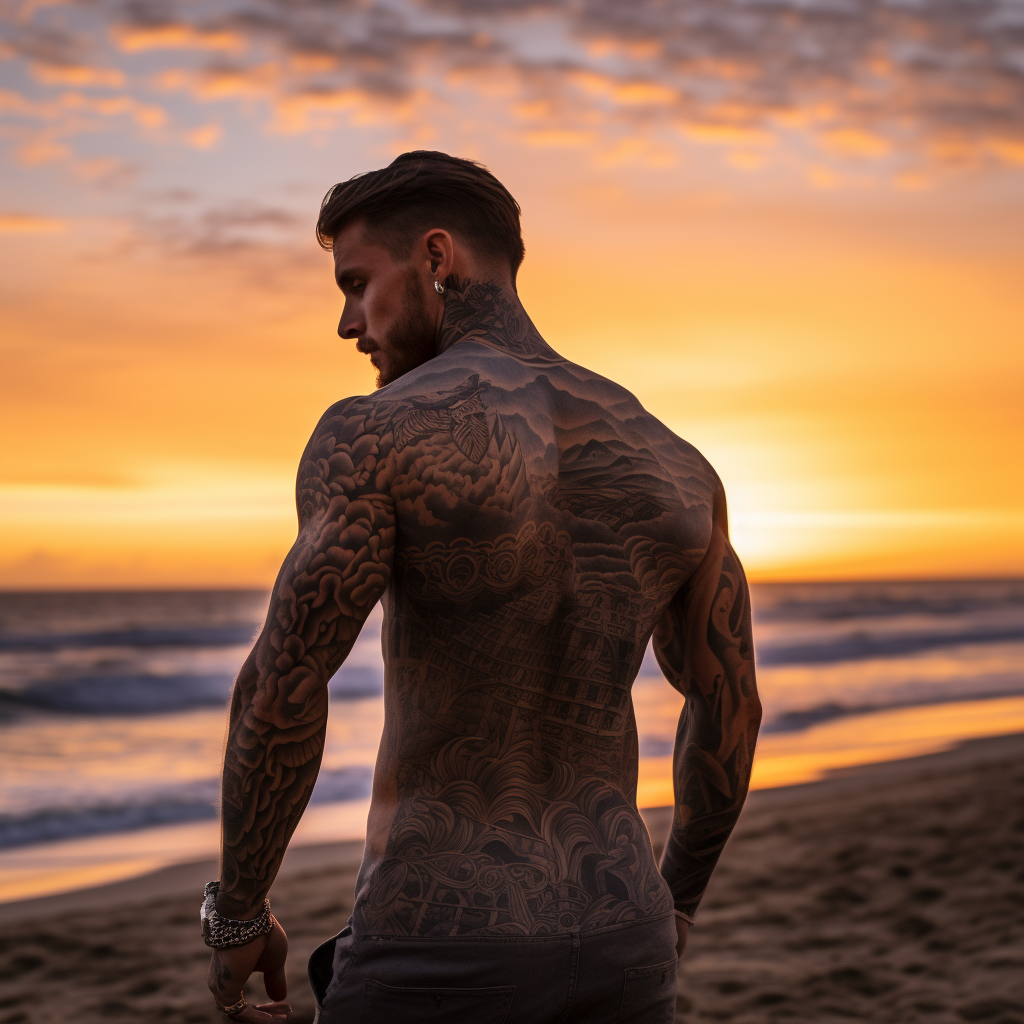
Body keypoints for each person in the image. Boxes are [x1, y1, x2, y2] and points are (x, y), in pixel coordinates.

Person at [203, 151, 761, 1024]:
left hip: (438, 940)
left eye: (356, 282)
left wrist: (236, 911)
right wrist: (677, 899)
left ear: (435, 257)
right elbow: (729, 710)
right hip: (626, 936)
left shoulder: (374, 436)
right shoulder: (676, 465)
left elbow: (281, 689)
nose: (349, 322)